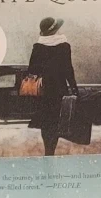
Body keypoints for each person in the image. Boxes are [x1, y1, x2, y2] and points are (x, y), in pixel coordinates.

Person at [27, 16, 78, 156]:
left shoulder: (38, 47)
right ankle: (51, 151)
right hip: (59, 89)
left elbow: (32, 70)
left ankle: (47, 151)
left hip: (43, 90)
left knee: (46, 122)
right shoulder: (64, 46)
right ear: (55, 31)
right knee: (56, 120)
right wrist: (74, 88)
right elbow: (68, 70)